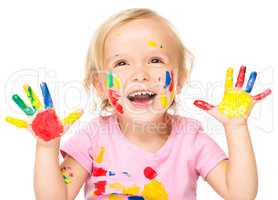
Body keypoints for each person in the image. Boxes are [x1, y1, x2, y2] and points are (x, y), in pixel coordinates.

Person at [9, 8, 270, 200]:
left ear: (179, 80)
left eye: (155, 60)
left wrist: (236, 128)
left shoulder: (191, 139)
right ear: (100, 85)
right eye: (121, 63)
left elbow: (240, 194)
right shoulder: (94, 137)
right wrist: (46, 148)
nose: (140, 73)